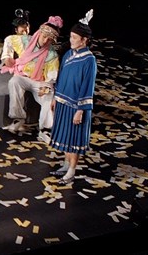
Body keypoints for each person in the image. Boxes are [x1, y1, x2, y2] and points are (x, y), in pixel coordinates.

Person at [48, 10, 97, 186]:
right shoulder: (69, 54)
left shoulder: (89, 60)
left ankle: (71, 171)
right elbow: (61, 77)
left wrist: (81, 110)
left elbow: (87, 87)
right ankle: (65, 164)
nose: (71, 40)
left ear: (84, 40)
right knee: (64, 137)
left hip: (76, 106)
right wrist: (55, 97)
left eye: (75, 37)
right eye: (71, 36)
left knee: (73, 139)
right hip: (62, 102)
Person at [0, 15, 63, 143]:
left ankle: (45, 129)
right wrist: (6, 57)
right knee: (14, 82)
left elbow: (51, 76)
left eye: (49, 39)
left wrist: (46, 87)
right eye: (44, 36)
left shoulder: (52, 54)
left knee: (48, 97)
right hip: (23, 76)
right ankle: (18, 118)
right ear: (39, 33)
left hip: (40, 82)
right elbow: (8, 40)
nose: (45, 41)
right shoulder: (25, 41)